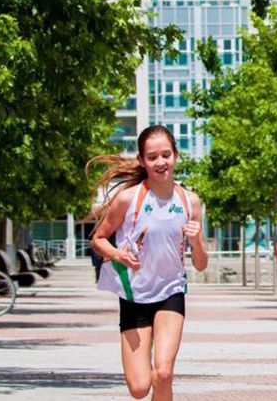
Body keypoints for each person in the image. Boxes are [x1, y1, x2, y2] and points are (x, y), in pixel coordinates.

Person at [87, 125, 208, 400]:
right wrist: (119, 255)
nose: (160, 162)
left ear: (176, 156)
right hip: (134, 296)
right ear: (142, 160)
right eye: (152, 157)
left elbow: (200, 264)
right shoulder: (128, 199)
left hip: (171, 293)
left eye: (166, 155)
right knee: (140, 388)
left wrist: (197, 240)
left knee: (163, 373)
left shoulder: (190, 202)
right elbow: (99, 239)